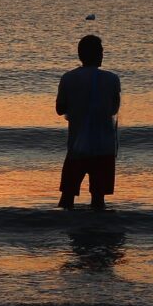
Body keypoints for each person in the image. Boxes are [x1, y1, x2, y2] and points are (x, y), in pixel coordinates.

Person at [55, 34, 120, 211]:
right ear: (98, 54)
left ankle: (66, 232)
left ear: (80, 55)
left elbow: (60, 109)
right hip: (104, 146)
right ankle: (97, 234)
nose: (103, 54)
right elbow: (114, 109)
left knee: (67, 198)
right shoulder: (112, 79)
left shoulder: (68, 78)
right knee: (98, 202)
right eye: (101, 51)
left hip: (78, 147)